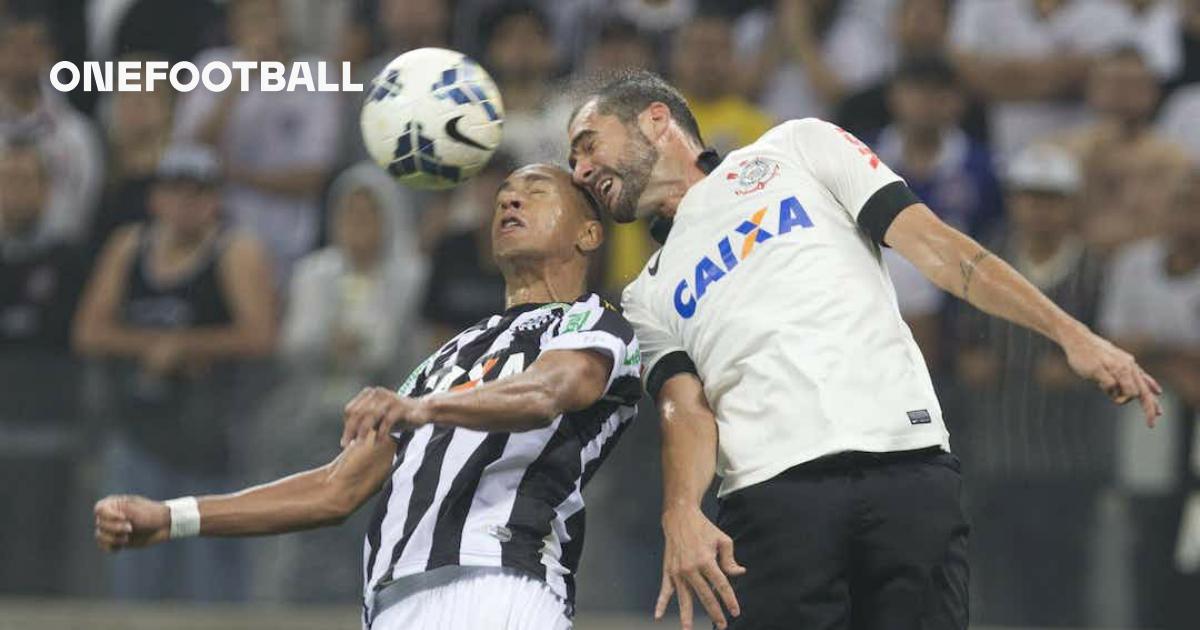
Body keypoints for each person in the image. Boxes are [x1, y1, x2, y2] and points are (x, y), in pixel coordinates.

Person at [564, 69, 1161, 630]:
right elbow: (684, 410)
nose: (581, 170)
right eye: (573, 161)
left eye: (589, 144)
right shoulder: (646, 291)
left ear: (654, 118)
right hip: (770, 496)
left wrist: (1069, 332)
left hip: (906, 464)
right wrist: (682, 510)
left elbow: (937, 248)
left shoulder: (797, 148)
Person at [94, 164, 642, 630]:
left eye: (535, 191)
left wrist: (425, 407)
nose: (510, 200)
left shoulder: (593, 320)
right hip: (393, 602)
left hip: (498, 582)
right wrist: (172, 518)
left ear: (589, 235)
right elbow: (336, 488)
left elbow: (552, 390)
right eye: (502, 197)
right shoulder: (445, 357)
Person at [75, 144, 276, 601]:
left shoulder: (235, 250)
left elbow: (262, 335)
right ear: (156, 198)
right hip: (137, 434)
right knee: (135, 580)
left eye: (198, 192)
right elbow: (88, 331)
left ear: (214, 200)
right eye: (175, 191)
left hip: (214, 444)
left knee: (209, 588)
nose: (186, 203)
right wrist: (154, 347)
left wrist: (183, 348)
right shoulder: (129, 245)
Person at [247, 162, 427, 603]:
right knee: (307, 531)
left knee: (369, 535)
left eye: (369, 214)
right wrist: (333, 344)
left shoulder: (411, 276)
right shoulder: (315, 272)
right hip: (313, 422)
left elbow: (402, 353)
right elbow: (294, 343)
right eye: (350, 214)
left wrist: (357, 350)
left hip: (385, 434)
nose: (358, 225)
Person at [953, 144, 1111, 625]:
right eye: (1029, 196)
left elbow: (1116, 345)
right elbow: (959, 339)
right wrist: (968, 359)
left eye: (1052, 197)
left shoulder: (1095, 269)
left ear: (1071, 203)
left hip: (1068, 457)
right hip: (995, 452)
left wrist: (1083, 372)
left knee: (1063, 579)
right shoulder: (983, 260)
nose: (1039, 208)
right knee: (998, 579)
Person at [172, 0, 341, 286]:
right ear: (234, 27)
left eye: (268, 18)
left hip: (288, 239)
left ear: (283, 22)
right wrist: (237, 83)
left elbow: (313, 176)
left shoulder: (317, 73)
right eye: (251, 20)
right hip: (214, 237)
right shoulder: (210, 65)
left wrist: (236, 175)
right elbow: (189, 153)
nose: (261, 29)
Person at [871, 55, 1004, 365]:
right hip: (875, 299)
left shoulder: (981, 167)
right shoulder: (864, 156)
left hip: (959, 311)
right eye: (916, 91)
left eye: (937, 93)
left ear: (957, 102)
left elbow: (996, 241)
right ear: (895, 97)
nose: (925, 103)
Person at [1054, 46, 1191, 255]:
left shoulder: (1175, 160)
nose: (1122, 92)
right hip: (1075, 270)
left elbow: (1174, 226)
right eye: (1112, 82)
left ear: (1153, 91)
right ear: (1092, 89)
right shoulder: (1061, 152)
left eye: (1133, 84)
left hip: (1142, 269)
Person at [0, 8, 103, 245]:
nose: (23, 56)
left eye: (33, 47)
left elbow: (83, 211)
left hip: (56, 258)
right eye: (14, 46)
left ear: (50, 55)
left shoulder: (76, 136)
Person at [669, 14, 774, 156]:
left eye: (717, 49)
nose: (706, 58)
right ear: (677, 60)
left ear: (734, 60)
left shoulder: (761, 128)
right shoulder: (657, 124)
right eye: (697, 48)